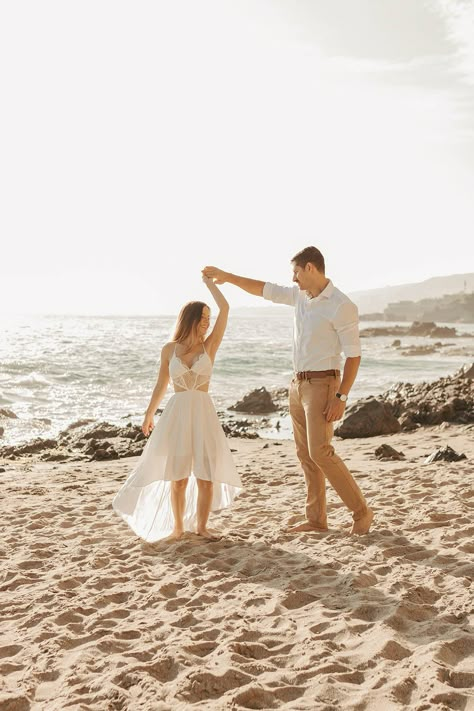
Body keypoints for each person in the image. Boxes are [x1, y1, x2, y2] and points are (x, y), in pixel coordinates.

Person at [202, 246, 373, 535]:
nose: (293, 279)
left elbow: (354, 356)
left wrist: (341, 396)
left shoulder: (342, 305)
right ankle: (317, 520)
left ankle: (362, 513)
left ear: (310, 268)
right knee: (306, 454)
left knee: (321, 451)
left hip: (323, 384)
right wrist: (228, 277)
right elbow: (263, 289)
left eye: (296, 272)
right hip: (297, 384)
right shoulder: (299, 297)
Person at [112, 276, 242, 542]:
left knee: (206, 475)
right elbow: (161, 384)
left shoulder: (210, 346)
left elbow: (226, 309)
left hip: (203, 413)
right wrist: (149, 414)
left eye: (209, 317)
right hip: (178, 414)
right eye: (203, 317)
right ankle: (178, 528)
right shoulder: (169, 350)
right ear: (190, 319)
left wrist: (211, 285)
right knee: (178, 476)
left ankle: (202, 527)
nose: (207, 322)